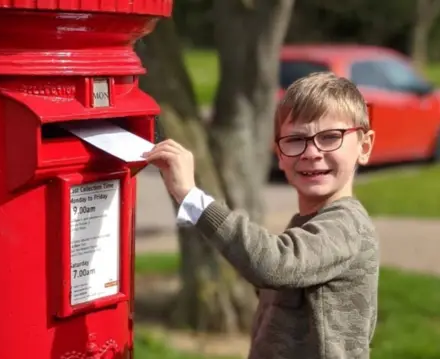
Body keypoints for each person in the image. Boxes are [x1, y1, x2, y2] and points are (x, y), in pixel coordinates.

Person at [142, 71, 379, 359]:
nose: (312, 152)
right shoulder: (309, 224)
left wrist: (192, 197)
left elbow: (273, 264)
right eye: (295, 140)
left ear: (364, 147)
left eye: (330, 137)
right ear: (279, 154)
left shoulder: (345, 225)